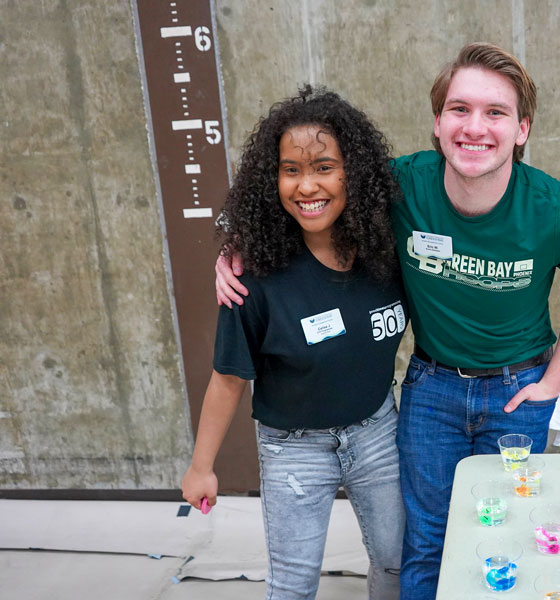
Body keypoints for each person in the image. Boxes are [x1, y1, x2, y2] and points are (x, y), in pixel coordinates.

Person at [217, 43, 560, 600]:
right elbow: (307, 189)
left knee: (504, 536)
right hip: (432, 391)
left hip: (518, 392)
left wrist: (552, 382)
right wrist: (234, 245)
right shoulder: (402, 186)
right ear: (438, 122)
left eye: (495, 112)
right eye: (460, 109)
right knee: (424, 542)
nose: (476, 127)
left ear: (522, 130)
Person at [182, 85, 406, 600]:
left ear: (355, 171)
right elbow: (229, 378)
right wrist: (201, 467)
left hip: (377, 430)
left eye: (324, 166)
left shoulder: (387, 252)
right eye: (291, 170)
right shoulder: (253, 277)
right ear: (272, 180)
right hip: (294, 448)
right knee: (293, 584)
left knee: (397, 564)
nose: (307, 185)